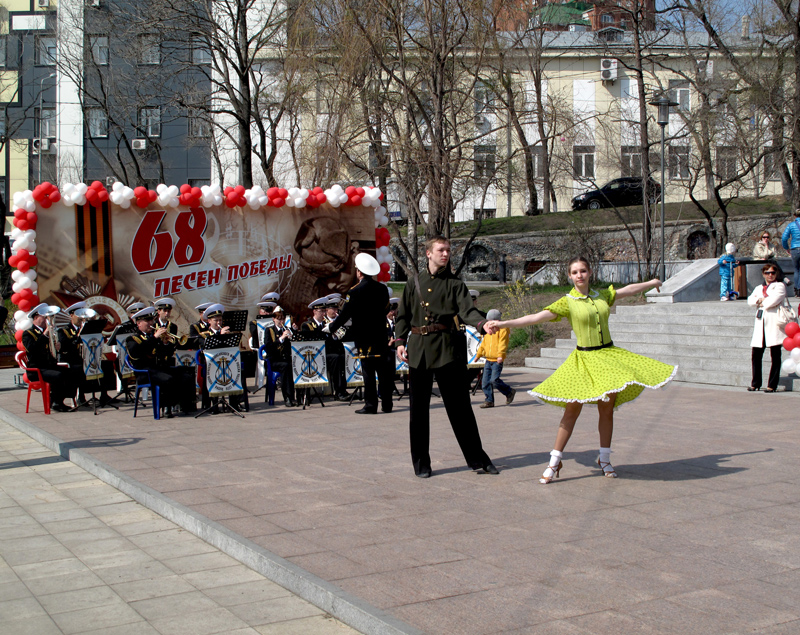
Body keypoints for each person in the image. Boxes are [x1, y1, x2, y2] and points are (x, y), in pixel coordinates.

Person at [485, 257, 676, 483]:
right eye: (574, 272)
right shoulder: (567, 301)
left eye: (583, 271)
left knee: (607, 409)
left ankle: (604, 458)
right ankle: (555, 461)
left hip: (607, 358)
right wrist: (503, 324)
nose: (579, 275)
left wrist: (651, 282)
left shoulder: (602, 295)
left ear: (590, 272)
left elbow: (627, 290)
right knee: (571, 410)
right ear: (570, 276)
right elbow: (535, 318)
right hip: (583, 360)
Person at [395, 235, 499, 478]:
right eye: (441, 250)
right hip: (419, 350)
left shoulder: (455, 284)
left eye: (448, 250)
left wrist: (482, 324)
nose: (445, 254)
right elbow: (403, 315)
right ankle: (421, 464)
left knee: (460, 408)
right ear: (428, 253)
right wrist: (400, 341)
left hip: (447, 350)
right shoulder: (414, 283)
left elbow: (468, 311)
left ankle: (477, 460)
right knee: (418, 411)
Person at [324, 253, 396, 414]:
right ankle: (387, 404)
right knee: (384, 371)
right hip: (380, 335)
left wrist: (332, 327)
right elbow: (386, 309)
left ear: (359, 272)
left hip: (364, 338)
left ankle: (371, 405)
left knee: (368, 372)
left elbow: (345, 314)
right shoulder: (382, 288)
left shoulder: (355, 291)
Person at [127, 307, 196, 416]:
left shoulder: (153, 336)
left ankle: (186, 406)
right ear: (139, 323)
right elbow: (138, 353)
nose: (151, 323)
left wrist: (165, 343)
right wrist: (155, 338)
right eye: (147, 321)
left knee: (187, 373)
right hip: (144, 371)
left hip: (158, 368)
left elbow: (165, 354)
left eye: (151, 320)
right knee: (168, 379)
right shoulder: (133, 339)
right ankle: (166, 407)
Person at [22, 303, 79, 412]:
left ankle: (58, 399)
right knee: (58, 375)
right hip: (37, 368)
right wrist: (45, 335)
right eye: (45, 317)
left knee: (72, 372)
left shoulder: (48, 333)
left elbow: (51, 351)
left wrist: (57, 346)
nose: (47, 320)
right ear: (36, 318)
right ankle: (57, 402)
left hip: (49, 365)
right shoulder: (28, 333)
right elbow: (32, 349)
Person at [747, 263, 786, 393]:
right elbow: (750, 301)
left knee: (775, 355)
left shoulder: (779, 286)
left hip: (774, 324)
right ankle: (755, 383)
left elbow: (772, 301)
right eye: (767, 273)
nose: (770, 275)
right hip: (761, 324)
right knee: (756, 355)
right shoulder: (759, 287)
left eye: (772, 273)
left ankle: (772, 384)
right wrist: (759, 300)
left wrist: (761, 300)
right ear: (763, 274)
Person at [302, 297, 349, 400]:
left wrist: (334, 335)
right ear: (314, 311)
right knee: (336, 358)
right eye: (321, 311)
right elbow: (311, 341)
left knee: (342, 356)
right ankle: (339, 391)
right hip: (314, 356)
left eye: (324, 311)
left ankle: (342, 390)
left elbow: (335, 340)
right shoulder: (308, 325)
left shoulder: (326, 324)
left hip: (327, 354)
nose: (323, 313)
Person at [475, 309, 516, 408]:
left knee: (494, 380)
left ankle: (509, 392)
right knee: (485, 382)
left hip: (497, 360)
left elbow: (503, 343)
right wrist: (478, 355)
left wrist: (500, 355)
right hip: (488, 360)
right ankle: (489, 401)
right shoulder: (488, 330)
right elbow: (484, 343)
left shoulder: (502, 329)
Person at [264, 306, 298, 407]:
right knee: (286, 366)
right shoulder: (269, 330)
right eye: (278, 319)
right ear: (273, 319)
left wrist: (294, 333)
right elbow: (268, 348)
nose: (281, 321)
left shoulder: (287, 329)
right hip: (274, 361)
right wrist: (281, 339)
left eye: (282, 318)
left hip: (286, 359)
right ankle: (288, 397)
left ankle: (299, 397)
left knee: (296, 364)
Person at [781, 209, 800, 297]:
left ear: (794, 215)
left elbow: (784, 238)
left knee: (796, 269)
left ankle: (797, 290)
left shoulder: (791, 225)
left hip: (795, 249)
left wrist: (786, 248)